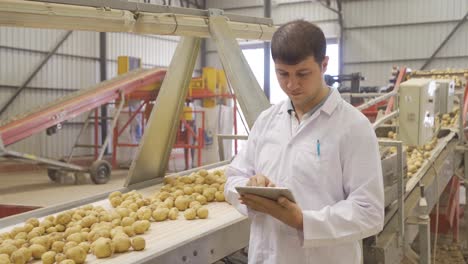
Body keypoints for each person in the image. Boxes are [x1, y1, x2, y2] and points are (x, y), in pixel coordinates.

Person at [223, 20, 384, 264]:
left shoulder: (353, 127)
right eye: (282, 74)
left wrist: (302, 221)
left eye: (302, 74)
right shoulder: (267, 121)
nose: (291, 84)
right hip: (268, 256)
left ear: (324, 65)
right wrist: (251, 187)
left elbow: (369, 212)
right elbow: (233, 178)